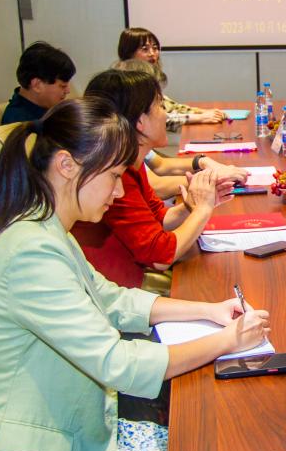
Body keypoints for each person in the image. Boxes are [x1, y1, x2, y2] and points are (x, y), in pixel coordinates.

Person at [0, 97, 269, 451]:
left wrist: (208, 311)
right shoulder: (30, 251)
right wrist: (227, 341)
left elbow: (111, 299)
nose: (118, 192)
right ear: (66, 165)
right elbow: (117, 364)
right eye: (114, 176)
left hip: (69, 433)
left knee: (209, 448)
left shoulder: (42, 227)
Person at [72, 70, 234, 288]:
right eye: (160, 106)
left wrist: (191, 205)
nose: (165, 116)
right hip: (118, 289)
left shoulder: (130, 161)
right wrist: (202, 210)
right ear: (140, 121)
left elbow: (157, 217)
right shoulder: (114, 177)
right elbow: (159, 256)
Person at [109, 59, 248, 200]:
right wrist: (211, 179)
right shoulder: (118, 150)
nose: (166, 115)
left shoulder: (132, 139)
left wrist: (202, 162)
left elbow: (161, 165)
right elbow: (154, 186)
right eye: (159, 106)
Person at [117, 27, 225, 124]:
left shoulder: (148, 76)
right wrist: (200, 118)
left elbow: (167, 106)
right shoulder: (127, 81)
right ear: (128, 53)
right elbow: (154, 119)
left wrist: (200, 112)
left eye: (155, 48)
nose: (152, 53)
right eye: (145, 49)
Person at [0, 41, 76, 124]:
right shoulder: (22, 125)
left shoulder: (46, 109)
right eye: (63, 86)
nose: (68, 91)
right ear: (37, 85)